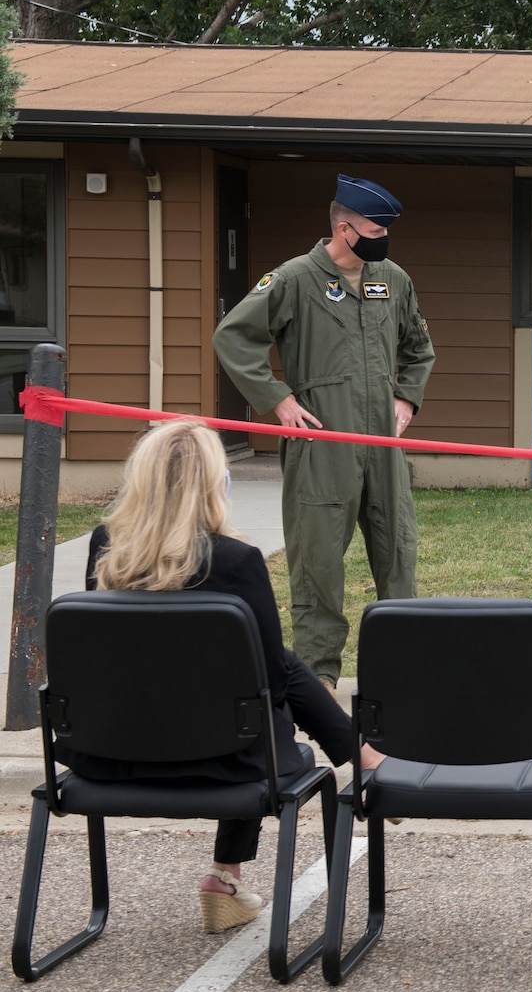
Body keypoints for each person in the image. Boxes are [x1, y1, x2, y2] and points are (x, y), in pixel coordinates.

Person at [68, 421, 382, 932]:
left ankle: (232, 875)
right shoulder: (236, 561)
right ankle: (359, 758)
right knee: (262, 689)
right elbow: (273, 683)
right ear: (216, 483)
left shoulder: (107, 548)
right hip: (226, 763)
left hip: (110, 755)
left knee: (252, 685)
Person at [214, 174, 436, 690]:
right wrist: (278, 399)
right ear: (344, 227)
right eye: (376, 229)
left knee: (397, 551)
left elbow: (418, 347)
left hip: (382, 441)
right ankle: (318, 678)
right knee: (317, 562)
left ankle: (402, 673)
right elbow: (234, 337)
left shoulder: (392, 279)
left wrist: (406, 397)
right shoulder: (294, 279)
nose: (383, 238)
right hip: (321, 441)